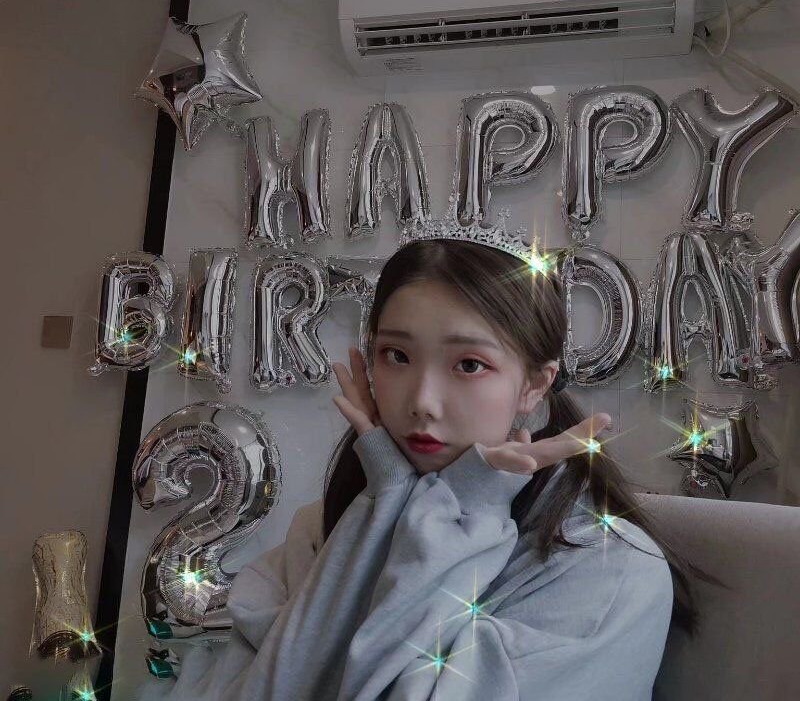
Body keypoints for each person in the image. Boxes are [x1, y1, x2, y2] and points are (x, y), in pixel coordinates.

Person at [136, 233, 723, 701]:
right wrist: (389, 499)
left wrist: (468, 506)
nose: (422, 401)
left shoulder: (612, 572)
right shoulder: (323, 529)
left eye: (468, 365)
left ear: (534, 385)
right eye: (396, 356)